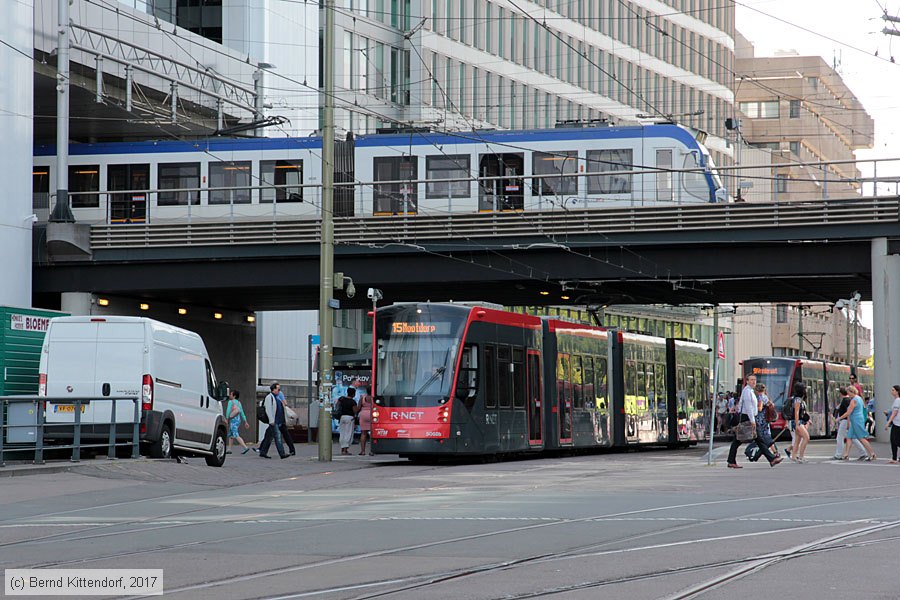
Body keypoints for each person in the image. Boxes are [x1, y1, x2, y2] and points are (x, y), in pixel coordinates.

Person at [727, 374, 782, 469]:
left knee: (741, 440)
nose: (753, 381)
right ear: (747, 381)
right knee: (755, 439)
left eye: (754, 380)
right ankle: (772, 458)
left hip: (750, 417)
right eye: (751, 380)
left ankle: (731, 461)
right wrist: (752, 421)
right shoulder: (747, 391)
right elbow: (748, 407)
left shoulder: (751, 391)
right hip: (747, 418)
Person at [839, 386, 876, 461]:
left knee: (861, 438)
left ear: (851, 392)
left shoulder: (854, 400)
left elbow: (848, 412)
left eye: (848, 392)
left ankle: (872, 454)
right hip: (858, 419)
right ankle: (846, 454)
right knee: (849, 437)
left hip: (856, 420)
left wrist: (839, 418)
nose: (848, 394)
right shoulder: (859, 398)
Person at [833, 387, 867, 460]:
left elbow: (848, 412)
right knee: (852, 437)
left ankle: (838, 455)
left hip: (845, 421)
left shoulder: (847, 401)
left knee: (840, 437)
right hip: (850, 420)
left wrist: (839, 419)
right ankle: (862, 452)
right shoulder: (853, 399)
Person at [258, 382, 289, 459]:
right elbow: (268, 409)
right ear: (273, 389)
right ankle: (282, 453)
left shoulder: (277, 397)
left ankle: (263, 452)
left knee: (269, 437)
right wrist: (271, 420)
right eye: (278, 389)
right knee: (278, 437)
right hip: (274, 421)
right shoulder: (270, 397)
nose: (279, 391)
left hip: (278, 421)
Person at [787, 381, 810, 463]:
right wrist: (797, 424)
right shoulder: (798, 400)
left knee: (797, 440)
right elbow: (796, 412)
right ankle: (801, 456)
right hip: (797, 421)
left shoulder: (796, 399)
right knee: (806, 437)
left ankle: (794, 456)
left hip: (796, 421)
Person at [225, 390, 253, 454]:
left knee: (235, 434)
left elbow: (228, 411)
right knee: (231, 435)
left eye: (231, 394)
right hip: (238, 420)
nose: (229, 395)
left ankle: (245, 447)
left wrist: (227, 418)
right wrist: (245, 421)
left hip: (233, 421)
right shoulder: (239, 403)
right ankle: (229, 449)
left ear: (234, 396)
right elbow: (242, 412)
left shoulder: (230, 402)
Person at [334, 387, 357, 455]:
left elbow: (337, 405)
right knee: (348, 433)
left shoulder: (342, 399)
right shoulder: (353, 402)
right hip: (349, 418)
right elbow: (355, 410)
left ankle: (342, 449)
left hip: (342, 417)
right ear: (353, 394)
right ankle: (345, 449)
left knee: (342, 433)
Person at [274, 386, 296, 456]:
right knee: (269, 435)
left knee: (283, 435)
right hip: (276, 419)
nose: (278, 390)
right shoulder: (272, 396)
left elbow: (285, 403)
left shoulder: (279, 394)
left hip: (280, 418)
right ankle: (262, 450)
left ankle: (287, 451)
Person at [883, 385, 900, 464]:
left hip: (897, 423)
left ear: (897, 391)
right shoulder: (896, 400)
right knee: (895, 440)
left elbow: (895, 413)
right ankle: (894, 457)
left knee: (894, 440)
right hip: (897, 422)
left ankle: (894, 458)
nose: (891, 391)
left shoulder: (897, 400)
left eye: (893, 390)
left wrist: (888, 422)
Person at [356, 390, 374, 456]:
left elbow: (358, 408)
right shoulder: (373, 398)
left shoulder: (362, 398)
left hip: (363, 414)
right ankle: (372, 451)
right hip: (372, 414)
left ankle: (363, 451)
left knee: (363, 433)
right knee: (372, 434)